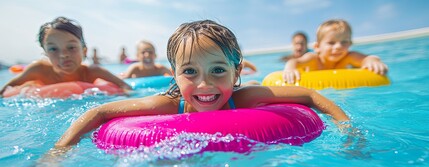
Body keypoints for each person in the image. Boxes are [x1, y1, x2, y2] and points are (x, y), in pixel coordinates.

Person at [54, 19, 349, 148]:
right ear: (174, 73)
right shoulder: (168, 104)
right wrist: (60, 150)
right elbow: (99, 112)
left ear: (236, 73)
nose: (205, 84)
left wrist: (347, 128)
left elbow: (309, 96)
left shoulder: (245, 97)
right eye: (190, 72)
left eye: (218, 70)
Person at [0, 17, 130, 96]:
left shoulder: (92, 72)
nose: (63, 55)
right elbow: (5, 90)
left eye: (71, 47)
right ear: (46, 54)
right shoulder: (38, 70)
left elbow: (126, 88)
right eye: (53, 49)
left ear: (84, 51)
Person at [283, 19, 388, 84]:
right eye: (331, 43)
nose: (338, 46)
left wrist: (373, 61)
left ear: (350, 44)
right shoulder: (313, 58)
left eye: (344, 42)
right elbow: (294, 62)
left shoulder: (348, 56)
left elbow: (368, 58)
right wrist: (290, 69)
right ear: (317, 47)